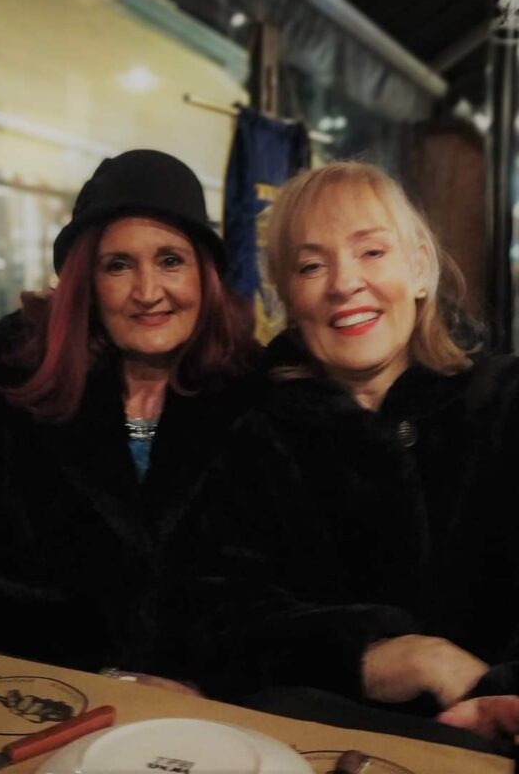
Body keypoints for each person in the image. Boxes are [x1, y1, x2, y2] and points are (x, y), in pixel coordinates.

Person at [166, 161, 519, 743]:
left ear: (420, 269)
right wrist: (375, 656)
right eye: (311, 266)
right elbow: (211, 617)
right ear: (288, 298)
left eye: (372, 252)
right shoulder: (257, 434)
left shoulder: (504, 404)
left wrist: (494, 691)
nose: (344, 283)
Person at [0, 149, 260, 682]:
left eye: (170, 260)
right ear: (87, 283)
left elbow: (276, 590)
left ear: (205, 274)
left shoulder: (255, 393)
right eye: (118, 265)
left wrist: (205, 682)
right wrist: (91, 674)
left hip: (215, 712)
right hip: (25, 696)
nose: (148, 292)